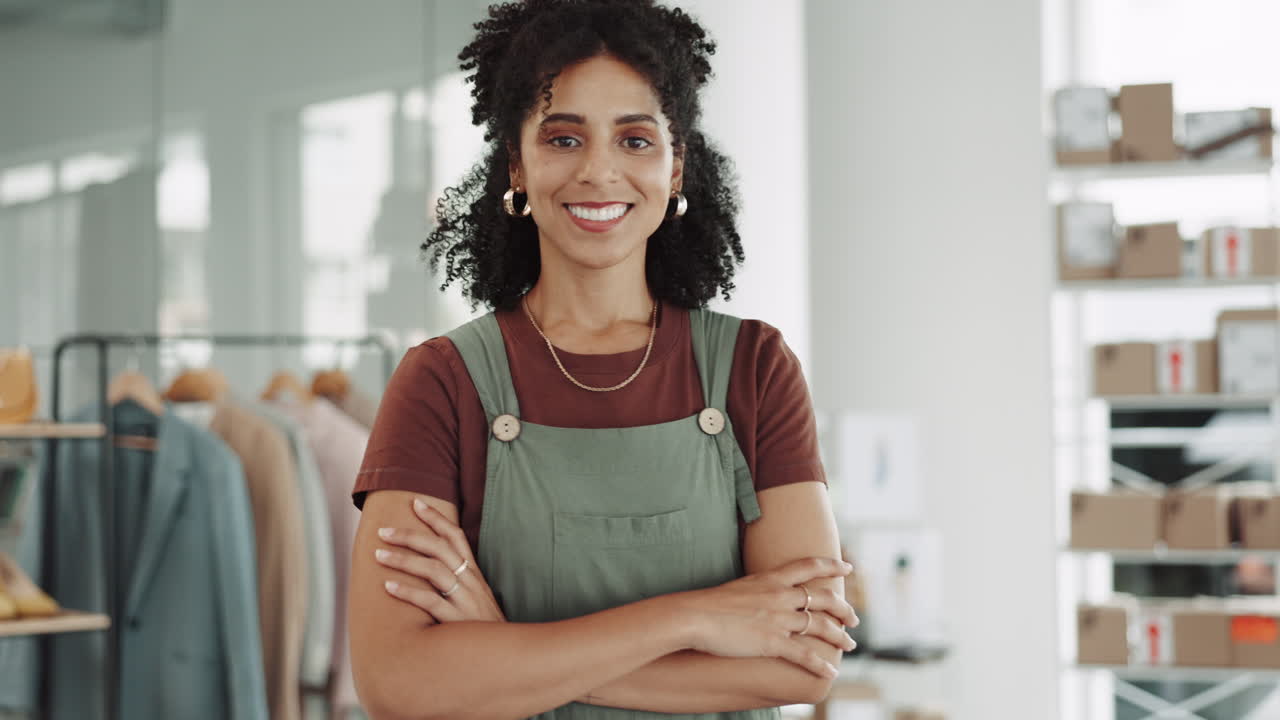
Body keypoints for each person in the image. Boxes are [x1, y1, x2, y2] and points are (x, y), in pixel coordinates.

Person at [348, 1, 857, 717]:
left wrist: (508, 650)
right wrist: (695, 619)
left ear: (675, 168)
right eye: (562, 138)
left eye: (635, 140)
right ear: (517, 165)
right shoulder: (443, 383)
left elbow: (806, 664)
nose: (598, 171)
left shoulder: (754, 369)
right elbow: (395, 682)